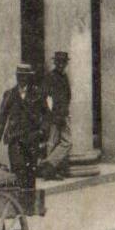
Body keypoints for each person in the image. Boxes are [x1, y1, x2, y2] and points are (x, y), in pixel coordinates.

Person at [0, 62, 44, 189]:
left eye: (25, 76)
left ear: (29, 77)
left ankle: (30, 206)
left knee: (31, 174)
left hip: (32, 139)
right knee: (18, 170)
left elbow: (47, 116)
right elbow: (2, 117)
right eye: (20, 76)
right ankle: (19, 205)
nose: (22, 79)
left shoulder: (37, 94)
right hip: (15, 139)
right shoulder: (9, 94)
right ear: (16, 76)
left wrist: (43, 132)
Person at [39, 50, 72, 180]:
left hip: (63, 114)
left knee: (54, 142)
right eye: (58, 62)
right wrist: (52, 114)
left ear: (65, 64)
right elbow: (44, 97)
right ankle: (49, 166)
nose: (61, 65)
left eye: (63, 62)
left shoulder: (64, 77)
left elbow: (67, 96)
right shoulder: (51, 77)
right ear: (55, 63)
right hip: (56, 115)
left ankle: (49, 169)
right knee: (65, 142)